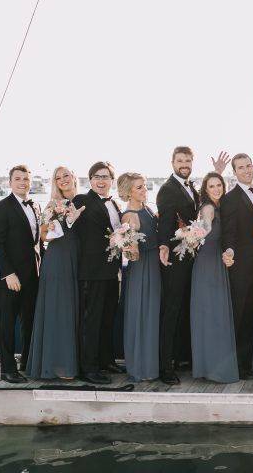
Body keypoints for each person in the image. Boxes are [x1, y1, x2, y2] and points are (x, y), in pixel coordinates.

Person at [0, 165, 44, 383]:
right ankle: (7, 369)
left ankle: (27, 362)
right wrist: (8, 274)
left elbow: (36, 243)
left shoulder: (36, 206)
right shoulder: (0, 207)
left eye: (26, 179)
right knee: (7, 324)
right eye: (18, 179)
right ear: (10, 182)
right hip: (10, 278)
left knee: (29, 322)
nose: (22, 182)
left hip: (33, 276)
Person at [26, 166, 84, 380]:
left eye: (66, 175)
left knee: (76, 309)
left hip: (80, 260)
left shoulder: (85, 199)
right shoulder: (53, 205)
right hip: (58, 260)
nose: (62, 180)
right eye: (58, 178)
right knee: (59, 309)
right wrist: (62, 221)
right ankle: (57, 366)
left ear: (74, 177)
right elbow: (44, 237)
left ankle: (77, 363)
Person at [72, 161, 122, 384]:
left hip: (112, 270)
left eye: (105, 177)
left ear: (112, 180)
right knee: (91, 321)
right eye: (97, 177)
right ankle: (89, 368)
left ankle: (106, 360)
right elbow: (68, 223)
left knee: (107, 318)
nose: (101, 181)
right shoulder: (81, 200)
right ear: (90, 180)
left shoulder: (116, 204)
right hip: (92, 271)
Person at [156, 146, 200, 385]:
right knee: (171, 310)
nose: (184, 164)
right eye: (180, 160)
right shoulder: (167, 189)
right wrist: (163, 246)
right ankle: (165, 367)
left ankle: (181, 357)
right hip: (174, 257)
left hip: (191, 256)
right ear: (172, 162)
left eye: (188, 160)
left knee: (184, 307)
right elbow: (164, 220)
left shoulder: (191, 187)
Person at [190, 172, 239, 383]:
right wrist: (203, 229)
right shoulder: (208, 207)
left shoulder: (220, 206)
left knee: (214, 314)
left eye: (219, 185)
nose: (216, 189)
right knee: (212, 314)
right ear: (206, 190)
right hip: (208, 264)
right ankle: (214, 369)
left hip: (216, 262)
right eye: (212, 186)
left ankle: (210, 366)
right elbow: (206, 225)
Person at [221, 153, 253, 379]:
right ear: (234, 172)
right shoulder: (230, 198)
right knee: (239, 315)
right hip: (241, 267)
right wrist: (229, 253)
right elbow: (229, 234)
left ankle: (250, 362)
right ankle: (237, 365)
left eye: (248, 166)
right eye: (241, 168)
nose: (246, 170)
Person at [118, 172, 160, 382]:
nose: (144, 190)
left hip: (153, 265)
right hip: (142, 268)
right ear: (128, 192)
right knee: (142, 314)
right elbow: (131, 252)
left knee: (151, 314)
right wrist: (129, 245)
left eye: (144, 186)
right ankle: (141, 367)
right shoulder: (130, 215)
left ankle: (151, 364)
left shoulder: (147, 208)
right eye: (139, 188)